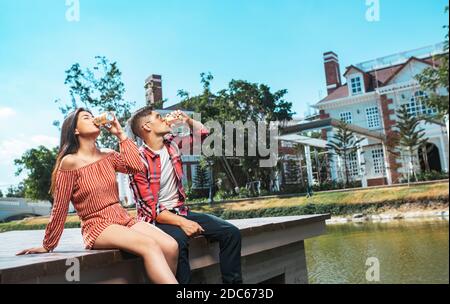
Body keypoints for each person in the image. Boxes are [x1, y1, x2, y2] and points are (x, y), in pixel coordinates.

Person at [17, 108, 179, 284]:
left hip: (123, 218)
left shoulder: (108, 155)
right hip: (98, 225)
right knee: (150, 245)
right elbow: (60, 207)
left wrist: (121, 135)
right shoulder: (70, 162)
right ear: (75, 130)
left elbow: (136, 167)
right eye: (87, 117)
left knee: (170, 246)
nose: (93, 119)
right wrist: (48, 244)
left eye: (93, 116)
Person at [128, 107, 243, 284]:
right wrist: (184, 223)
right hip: (156, 220)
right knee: (179, 241)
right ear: (147, 127)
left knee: (231, 233)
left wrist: (187, 120)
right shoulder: (137, 161)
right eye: (158, 117)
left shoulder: (172, 144)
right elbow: (151, 210)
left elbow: (203, 133)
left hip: (180, 211)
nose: (164, 119)